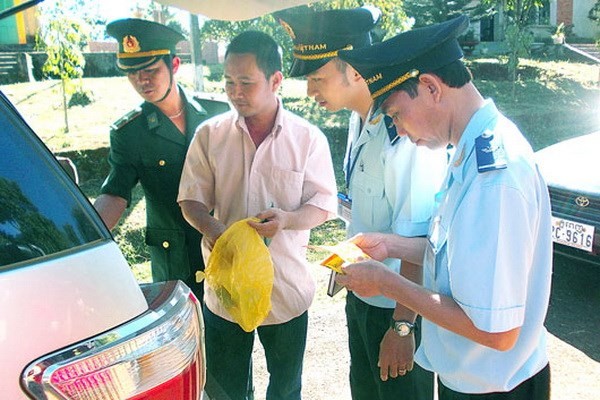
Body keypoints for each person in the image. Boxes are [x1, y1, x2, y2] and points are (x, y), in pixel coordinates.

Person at [336, 15, 552, 400]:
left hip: (495, 388)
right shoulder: (469, 153)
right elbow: (462, 261)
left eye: (397, 115)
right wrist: (393, 247)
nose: (399, 131)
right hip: (473, 380)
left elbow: (496, 331)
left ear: (431, 87)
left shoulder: (493, 176)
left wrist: (387, 282)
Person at [277, 7, 447, 400]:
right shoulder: (362, 120)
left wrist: (403, 328)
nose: (310, 91)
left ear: (354, 71)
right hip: (366, 298)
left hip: (397, 308)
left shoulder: (403, 132)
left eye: (318, 78)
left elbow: (419, 238)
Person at [177, 31, 338, 400]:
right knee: (226, 389)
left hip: (285, 287)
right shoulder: (210, 135)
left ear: (276, 81)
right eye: (229, 82)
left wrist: (287, 220)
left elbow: (323, 204)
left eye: (246, 83)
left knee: (285, 388)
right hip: (225, 288)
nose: (235, 92)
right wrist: (215, 230)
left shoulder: (307, 139)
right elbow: (191, 200)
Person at [94, 18, 227, 300]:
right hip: (174, 257)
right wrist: (85, 236)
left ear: (174, 66)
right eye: (132, 73)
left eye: (151, 70)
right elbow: (116, 193)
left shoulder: (219, 112)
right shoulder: (130, 133)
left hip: (221, 241)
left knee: (229, 332)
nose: (142, 80)